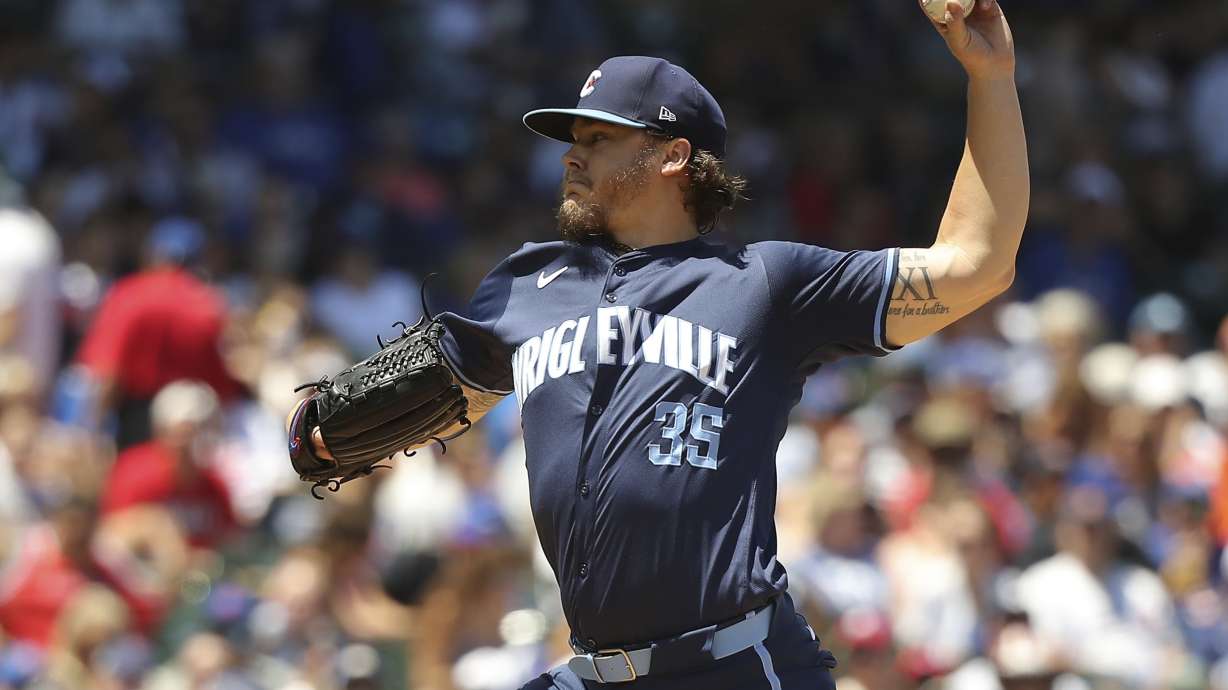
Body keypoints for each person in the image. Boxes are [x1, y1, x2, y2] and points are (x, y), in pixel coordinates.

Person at [302, 1, 1027, 687]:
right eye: (574, 142)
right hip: (596, 668)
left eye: (598, 139)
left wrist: (989, 79)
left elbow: (976, 264)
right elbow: (446, 394)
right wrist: (334, 435)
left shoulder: (765, 284)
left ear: (674, 155)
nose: (571, 158)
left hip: (736, 667)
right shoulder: (526, 283)